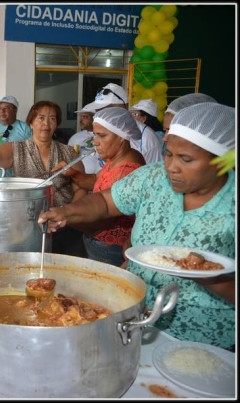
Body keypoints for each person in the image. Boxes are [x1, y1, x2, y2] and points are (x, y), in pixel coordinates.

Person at [38, 102, 235, 350]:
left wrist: (209, 275)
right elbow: (105, 201)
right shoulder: (153, 177)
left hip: (203, 338)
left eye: (185, 159)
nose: (171, 166)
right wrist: (67, 212)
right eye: (168, 153)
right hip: (136, 317)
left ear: (224, 161)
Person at [0, 100, 87, 257]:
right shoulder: (16, 149)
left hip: (65, 226)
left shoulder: (69, 153)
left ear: (57, 124)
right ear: (30, 122)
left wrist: (67, 212)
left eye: (52, 118)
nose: (46, 123)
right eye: (41, 118)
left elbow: (81, 188)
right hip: (27, 227)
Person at [77, 107, 145, 266]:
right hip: (99, 243)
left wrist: (67, 218)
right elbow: (97, 180)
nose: (95, 142)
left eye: (102, 136)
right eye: (95, 135)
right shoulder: (115, 159)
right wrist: (73, 175)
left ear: (122, 137)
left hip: (110, 249)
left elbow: (104, 217)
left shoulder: (127, 169)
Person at [67, 103, 102, 175]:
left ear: (95, 118)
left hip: (102, 177)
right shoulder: (76, 138)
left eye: (85, 117)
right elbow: (71, 158)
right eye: (81, 117)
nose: (81, 120)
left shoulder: (104, 135)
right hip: (80, 178)